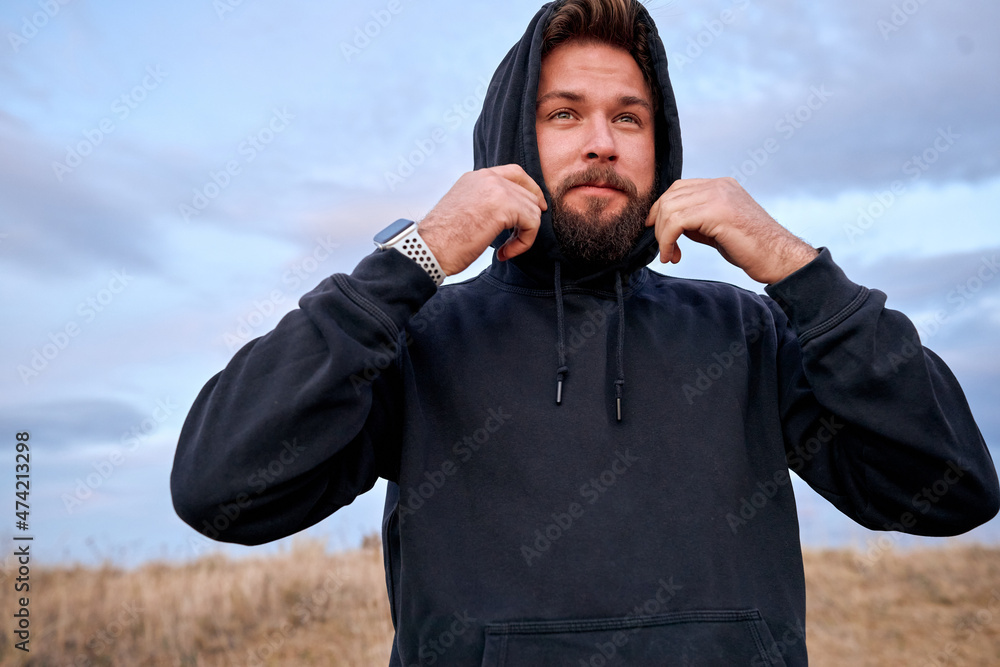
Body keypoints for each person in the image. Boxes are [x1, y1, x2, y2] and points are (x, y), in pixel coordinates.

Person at [171, 0, 999, 664]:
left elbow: (955, 488)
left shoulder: (750, 335)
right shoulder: (418, 341)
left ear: (661, 147)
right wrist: (412, 260)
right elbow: (219, 489)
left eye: (628, 119)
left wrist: (796, 270)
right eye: (565, 114)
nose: (601, 142)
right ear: (511, 143)